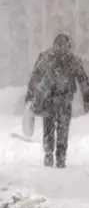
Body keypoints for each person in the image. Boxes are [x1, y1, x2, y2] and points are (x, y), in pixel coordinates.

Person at [25, 33, 89, 168]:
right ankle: (61, 157)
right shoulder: (72, 59)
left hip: (48, 99)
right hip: (65, 100)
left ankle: (49, 154)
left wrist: (30, 96)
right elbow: (83, 80)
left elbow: (35, 78)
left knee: (48, 127)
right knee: (63, 129)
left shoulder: (46, 57)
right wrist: (86, 98)